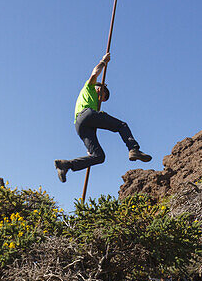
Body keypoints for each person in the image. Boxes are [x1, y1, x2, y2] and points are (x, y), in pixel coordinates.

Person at [55, 52, 151, 183]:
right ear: (100, 87)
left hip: (80, 125)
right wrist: (103, 61)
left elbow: (92, 128)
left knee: (98, 156)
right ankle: (134, 149)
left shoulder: (95, 104)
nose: (102, 98)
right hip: (86, 114)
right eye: (103, 94)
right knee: (121, 125)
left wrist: (90, 148)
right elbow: (94, 73)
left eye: (103, 99)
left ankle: (66, 165)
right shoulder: (89, 87)